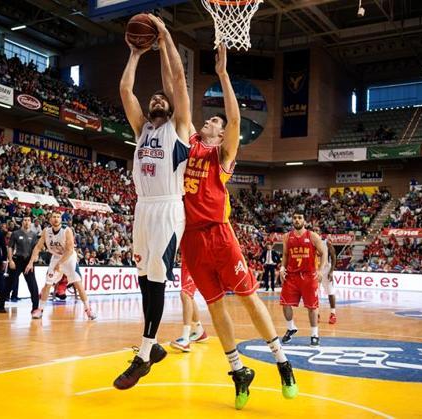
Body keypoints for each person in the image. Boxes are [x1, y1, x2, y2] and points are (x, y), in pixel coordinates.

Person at [178, 41, 298, 409]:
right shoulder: (187, 143)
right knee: (215, 307)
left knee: (247, 298)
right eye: (210, 119)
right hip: (190, 239)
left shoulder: (222, 153)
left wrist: (223, 74)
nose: (211, 120)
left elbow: (235, 120)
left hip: (219, 234)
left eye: (215, 121)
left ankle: (281, 361)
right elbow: (181, 109)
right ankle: (237, 370)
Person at [112, 14, 190, 390]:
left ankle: (143, 354)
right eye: (154, 98)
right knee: (144, 279)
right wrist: (135, 53)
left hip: (168, 208)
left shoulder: (180, 128)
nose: (157, 98)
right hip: (142, 209)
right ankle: (154, 344)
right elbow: (126, 91)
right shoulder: (142, 128)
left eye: (162, 98)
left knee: (156, 281)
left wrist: (166, 37)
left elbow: (176, 80)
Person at [25, 211, 95, 320]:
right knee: (48, 284)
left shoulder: (67, 231)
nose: (56, 219)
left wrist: (60, 263)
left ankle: (88, 309)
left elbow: (70, 250)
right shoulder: (46, 231)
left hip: (69, 258)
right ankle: (40, 310)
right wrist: (30, 263)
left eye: (58, 217)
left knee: (78, 284)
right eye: (54, 217)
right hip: (56, 257)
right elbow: (38, 247)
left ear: (61, 219)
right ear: (50, 219)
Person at [279, 212, 328, 347]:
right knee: (285, 304)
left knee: (312, 307)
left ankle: (314, 334)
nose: (297, 220)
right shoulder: (287, 237)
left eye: (299, 217)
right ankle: (291, 328)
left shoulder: (312, 236)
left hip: (308, 275)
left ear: (304, 220)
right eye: (294, 217)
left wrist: (320, 270)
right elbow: (285, 255)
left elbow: (324, 253)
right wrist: (282, 268)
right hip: (292, 276)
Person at [0, 215, 39, 314]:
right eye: (25, 220)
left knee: (33, 285)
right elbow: (10, 247)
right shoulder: (15, 233)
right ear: (22, 222)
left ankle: (35, 308)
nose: (26, 222)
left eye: (28, 220)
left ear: (31, 222)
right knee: (9, 283)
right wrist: (11, 260)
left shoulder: (34, 235)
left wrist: (35, 258)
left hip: (28, 263)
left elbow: (36, 249)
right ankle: (1, 305)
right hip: (17, 261)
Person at [170, 258, 207, 352]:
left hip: (197, 257)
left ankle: (185, 338)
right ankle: (199, 331)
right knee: (189, 294)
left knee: (185, 293)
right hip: (187, 257)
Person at [320, 236, 337, 324]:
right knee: (314, 293)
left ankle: (333, 314)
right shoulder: (309, 243)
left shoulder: (326, 243)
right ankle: (316, 313)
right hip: (316, 269)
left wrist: (331, 271)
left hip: (326, 269)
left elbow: (334, 257)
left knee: (330, 292)